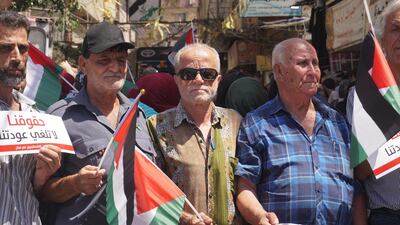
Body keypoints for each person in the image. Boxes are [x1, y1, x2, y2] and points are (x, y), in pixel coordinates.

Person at [41, 21, 156, 225]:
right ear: (83, 64)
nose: (115, 67)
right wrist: (75, 183)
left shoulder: (137, 115)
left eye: (121, 60)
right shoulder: (60, 116)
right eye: (104, 60)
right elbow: (41, 192)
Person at [235, 38, 355, 225]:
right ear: (280, 71)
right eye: (303, 63)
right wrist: (260, 217)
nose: (313, 71)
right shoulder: (257, 123)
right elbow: (245, 186)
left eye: (315, 64)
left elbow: (356, 185)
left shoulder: (336, 122)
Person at [148, 43, 242, 225]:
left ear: (218, 79)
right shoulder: (156, 126)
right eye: (188, 74)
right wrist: (184, 218)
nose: (198, 80)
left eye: (208, 74)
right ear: (176, 79)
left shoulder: (235, 121)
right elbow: (150, 190)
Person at [0, 10, 61, 224]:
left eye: (23, 48)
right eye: (6, 48)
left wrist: (42, 175)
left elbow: (32, 189)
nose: (16, 57)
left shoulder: (36, 116)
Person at [349, 1, 400, 224]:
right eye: (396, 29)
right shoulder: (363, 96)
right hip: (387, 215)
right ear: (382, 40)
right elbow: (360, 170)